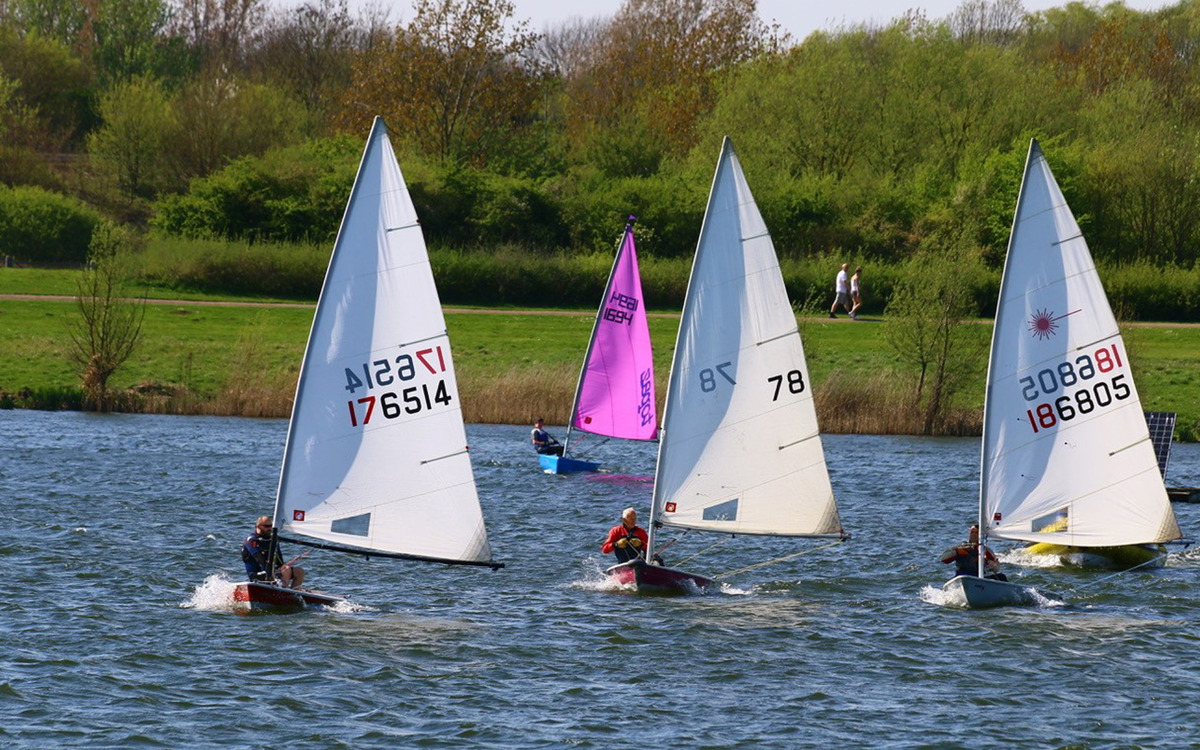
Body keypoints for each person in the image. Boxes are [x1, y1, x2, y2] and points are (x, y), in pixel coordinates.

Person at [242, 515, 305, 589]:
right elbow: (259, 558)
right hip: (257, 574)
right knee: (286, 569)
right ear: (258, 526)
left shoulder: (273, 540)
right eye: (266, 526)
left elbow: (280, 562)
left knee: (299, 571)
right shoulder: (251, 540)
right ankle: (282, 591)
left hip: (272, 573)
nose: (269, 528)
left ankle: (294, 593)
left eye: (270, 526)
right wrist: (274, 571)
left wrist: (281, 567)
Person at [940, 524, 1007, 581]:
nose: (974, 535)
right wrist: (957, 552)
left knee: (1002, 577)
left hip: (980, 577)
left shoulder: (986, 550)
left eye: (977, 533)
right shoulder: (961, 547)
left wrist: (992, 564)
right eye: (972, 532)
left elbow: (997, 568)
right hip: (963, 575)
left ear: (981, 535)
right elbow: (944, 559)